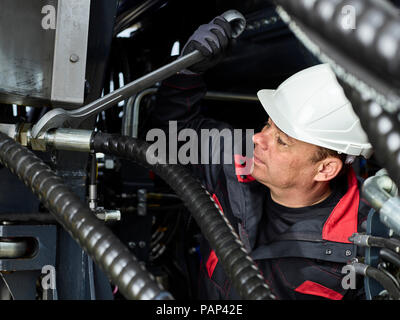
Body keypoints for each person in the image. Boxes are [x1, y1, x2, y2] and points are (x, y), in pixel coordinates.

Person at [149, 14, 374, 300]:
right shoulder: (239, 159)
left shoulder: (364, 248)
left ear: (325, 169)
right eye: (267, 124)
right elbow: (171, 136)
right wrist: (188, 73)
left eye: (281, 141)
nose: (258, 138)